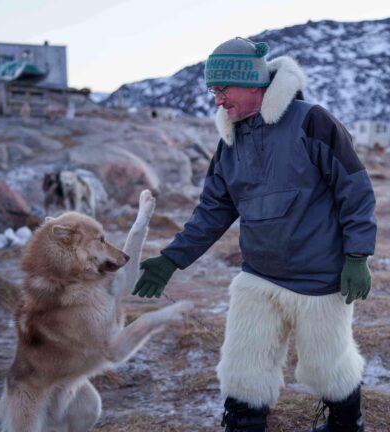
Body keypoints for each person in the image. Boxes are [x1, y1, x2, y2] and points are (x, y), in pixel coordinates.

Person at [133, 37, 377, 432]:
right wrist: (172, 258)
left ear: (250, 83)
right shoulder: (230, 139)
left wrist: (357, 256)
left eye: (222, 90)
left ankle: (347, 424)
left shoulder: (311, 120)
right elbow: (213, 210)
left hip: (320, 278)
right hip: (259, 277)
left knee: (328, 366)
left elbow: (355, 190)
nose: (218, 101)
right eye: (213, 92)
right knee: (244, 366)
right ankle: (244, 426)